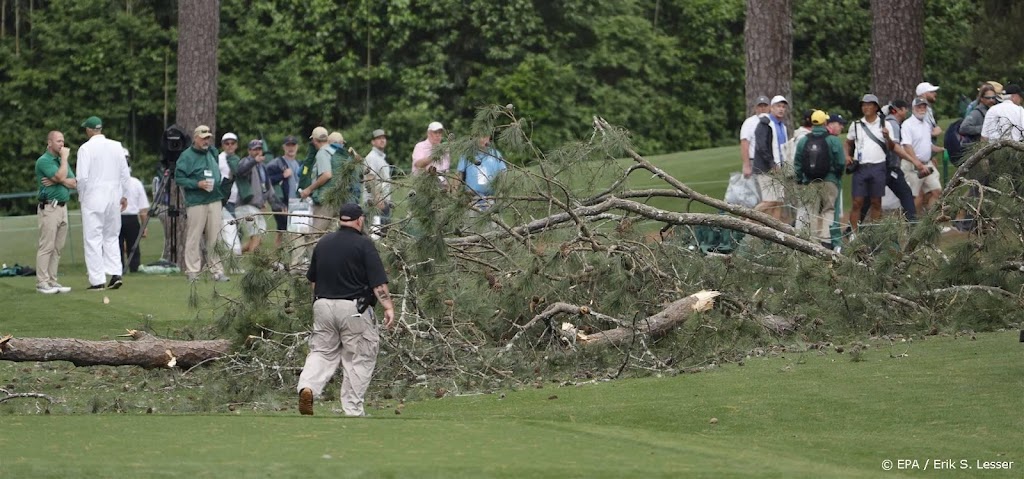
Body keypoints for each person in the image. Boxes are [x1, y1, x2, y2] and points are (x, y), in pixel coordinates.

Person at [296, 203, 395, 417]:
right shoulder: (364, 244)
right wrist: (388, 307)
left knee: (321, 352)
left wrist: (317, 303)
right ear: (360, 220)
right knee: (359, 356)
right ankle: (352, 409)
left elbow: (313, 280)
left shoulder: (323, 243)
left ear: (341, 220)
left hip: (322, 304)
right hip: (353, 307)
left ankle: (308, 387)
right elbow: (378, 284)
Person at [76, 116, 130, 290]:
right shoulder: (116, 146)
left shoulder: (85, 149)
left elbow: (82, 178)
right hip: (113, 197)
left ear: (89, 130)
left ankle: (97, 280)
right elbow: (125, 174)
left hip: (93, 197)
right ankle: (115, 273)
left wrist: (81, 196)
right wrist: (124, 195)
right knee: (112, 236)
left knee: (93, 238)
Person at [173, 125, 229, 282]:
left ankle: (217, 270)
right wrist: (197, 184)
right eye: (203, 138)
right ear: (196, 138)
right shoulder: (186, 156)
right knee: (194, 236)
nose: (206, 141)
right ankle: (192, 270)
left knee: (215, 236)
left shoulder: (212, 152)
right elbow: (179, 178)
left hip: (214, 199)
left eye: (208, 138)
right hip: (197, 201)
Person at [793, 110, 844, 249]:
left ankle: (812, 242)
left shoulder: (803, 140)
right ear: (825, 122)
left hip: (809, 181)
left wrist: (799, 180)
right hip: (829, 180)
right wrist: (837, 176)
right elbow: (840, 162)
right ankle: (826, 242)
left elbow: (797, 163)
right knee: (828, 209)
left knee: (811, 211)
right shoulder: (833, 140)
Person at [35, 131, 76, 294]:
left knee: (58, 247)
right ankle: (42, 282)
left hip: (63, 208)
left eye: (63, 141)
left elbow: (74, 182)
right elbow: (60, 176)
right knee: (47, 246)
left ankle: (52, 280)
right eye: (59, 141)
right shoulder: (44, 161)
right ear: (49, 143)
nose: (62, 144)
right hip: (49, 208)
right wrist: (64, 162)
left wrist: (58, 179)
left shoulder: (59, 161)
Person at [845, 94, 889, 232]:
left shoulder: (884, 124)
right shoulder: (856, 125)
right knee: (857, 202)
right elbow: (847, 143)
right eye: (864, 105)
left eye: (869, 104)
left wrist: (888, 137)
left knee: (876, 202)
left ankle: (875, 232)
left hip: (878, 166)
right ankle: (854, 233)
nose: (866, 107)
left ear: (876, 107)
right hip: (861, 167)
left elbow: (892, 147)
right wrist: (847, 155)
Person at [235, 139, 280, 253]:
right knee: (257, 235)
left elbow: (268, 188)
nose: (258, 151)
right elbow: (240, 171)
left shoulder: (262, 167)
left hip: (256, 206)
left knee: (258, 237)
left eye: (259, 149)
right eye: (255, 149)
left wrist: (276, 204)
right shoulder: (245, 161)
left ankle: (236, 254)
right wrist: (254, 161)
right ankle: (253, 264)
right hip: (245, 205)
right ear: (249, 150)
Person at [902, 98, 945, 212]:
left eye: (924, 107)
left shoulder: (926, 124)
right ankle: (912, 224)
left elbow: (927, 144)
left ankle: (929, 223)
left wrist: (940, 149)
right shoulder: (907, 125)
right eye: (919, 107)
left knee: (937, 191)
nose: (922, 109)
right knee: (916, 197)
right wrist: (917, 162)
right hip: (913, 165)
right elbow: (907, 146)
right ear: (913, 108)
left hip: (927, 164)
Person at [456, 134, 507, 212]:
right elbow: (459, 176)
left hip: (491, 199)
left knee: (493, 223)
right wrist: (456, 195)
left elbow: (503, 173)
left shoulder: (496, 154)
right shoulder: (467, 155)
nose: (482, 139)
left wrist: (501, 196)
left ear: (489, 137)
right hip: (471, 200)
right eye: (478, 136)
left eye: (485, 136)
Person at [299, 126, 336, 235]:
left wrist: (308, 189)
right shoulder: (333, 151)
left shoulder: (322, 153)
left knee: (314, 236)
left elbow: (327, 175)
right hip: (336, 199)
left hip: (325, 202)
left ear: (314, 140)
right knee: (331, 234)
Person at [119, 150, 150, 273]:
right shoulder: (135, 183)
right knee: (133, 246)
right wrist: (144, 225)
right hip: (131, 218)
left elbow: (143, 208)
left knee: (119, 246)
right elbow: (143, 208)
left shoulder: (113, 183)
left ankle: (120, 269)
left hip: (121, 217)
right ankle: (134, 268)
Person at [266, 135, 299, 247]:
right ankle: (281, 258)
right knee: (284, 230)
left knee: (285, 231)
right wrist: (282, 175)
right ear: (283, 147)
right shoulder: (276, 163)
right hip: (280, 203)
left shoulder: (298, 164)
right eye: (288, 145)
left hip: (296, 203)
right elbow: (266, 180)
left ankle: (281, 258)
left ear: (297, 147)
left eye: (293, 145)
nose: (291, 148)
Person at [363, 129, 392, 233]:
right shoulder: (371, 157)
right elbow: (370, 178)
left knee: (384, 235)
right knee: (376, 237)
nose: (382, 140)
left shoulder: (381, 158)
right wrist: (378, 198)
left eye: (383, 138)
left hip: (383, 202)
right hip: (375, 203)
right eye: (379, 138)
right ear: (373, 142)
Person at [412, 121, 450, 187]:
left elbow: (446, 170)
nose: (438, 135)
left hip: (441, 187)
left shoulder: (445, 150)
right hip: (422, 185)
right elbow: (418, 164)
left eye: (440, 132)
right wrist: (434, 155)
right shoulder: (420, 146)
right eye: (435, 132)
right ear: (428, 133)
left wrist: (446, 186)